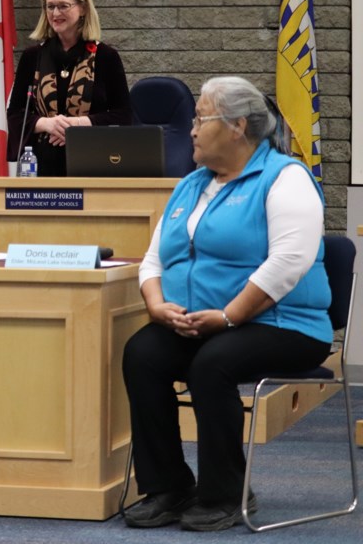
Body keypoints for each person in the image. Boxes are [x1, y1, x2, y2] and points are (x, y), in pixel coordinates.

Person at [121, 76, 332, 532]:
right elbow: (154, 257)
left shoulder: (285, 177)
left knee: (212, 364)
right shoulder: (191, 184)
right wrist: (157, 306)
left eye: (201, 118)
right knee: (143, 353)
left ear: (237, 126)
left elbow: (289, 262)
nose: (191, 129)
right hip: (201, 322)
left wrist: (229, 315)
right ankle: (168, 487)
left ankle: (225, 493)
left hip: (285, 324)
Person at [6, 0, 132, 176]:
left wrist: (77, 125)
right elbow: (14, 114)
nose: (55, 13)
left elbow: (124, 115)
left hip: (93, 163)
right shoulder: (32, 57)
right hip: (41, 165)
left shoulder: (106, 56)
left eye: (63, 6)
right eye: (50, 7)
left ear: (82, 8)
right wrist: (48, 124)